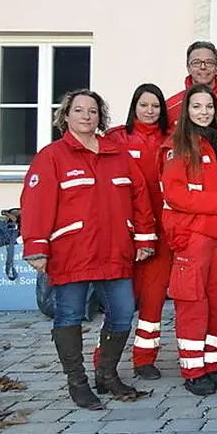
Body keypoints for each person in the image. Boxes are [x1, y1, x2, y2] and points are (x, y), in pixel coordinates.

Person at [20, 90, 157, 409]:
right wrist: (36, 246)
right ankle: (77, 383)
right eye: (79, 110)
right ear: (66, 116)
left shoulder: (118, 154)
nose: (86, 116)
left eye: (92, 111)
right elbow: (35, 205)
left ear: (100, 117)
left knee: (122, 312)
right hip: (72, 252)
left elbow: (140, 197)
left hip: (115, 249)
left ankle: (106, 375)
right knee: (69, 314)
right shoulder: (52, 156)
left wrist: (144, 238)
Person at [161, 85, 217, 395]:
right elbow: (175, 194)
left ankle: (211, 364)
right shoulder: (178, 146)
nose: (204, 112)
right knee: (193, 302)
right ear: (187, 110)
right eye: (196, 106)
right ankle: (193, 370)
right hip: (195, 235)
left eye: (208, 106)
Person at [103, 84, 169, 380]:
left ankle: (144, 359)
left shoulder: (172, 138)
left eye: (155, 106)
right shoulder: (116, 138)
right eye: (144, 105)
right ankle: (104, 360)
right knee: (120, 302)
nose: (150, 111)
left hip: (163, 230)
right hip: (125, 230)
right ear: (134, 107)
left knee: (153, 299)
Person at [166, 41, 217, 126]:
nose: (203, 67)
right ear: (188, 68)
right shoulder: (170, 107)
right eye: (196, 62)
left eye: (209, 62)